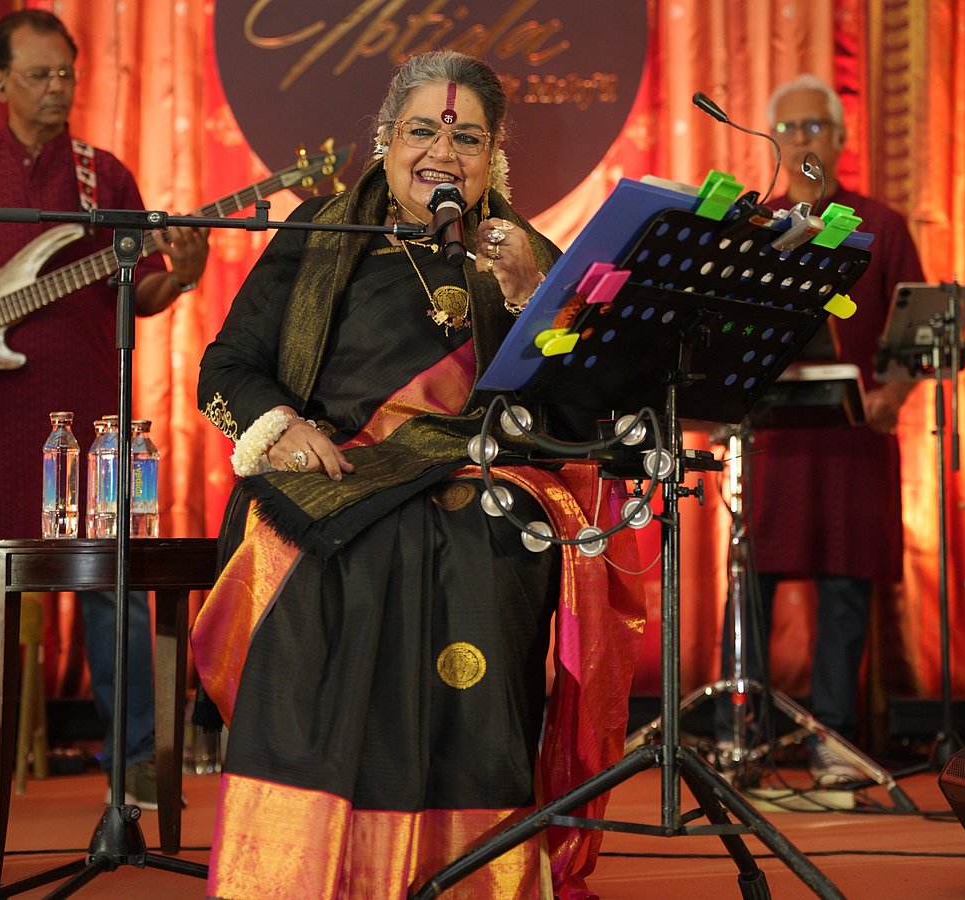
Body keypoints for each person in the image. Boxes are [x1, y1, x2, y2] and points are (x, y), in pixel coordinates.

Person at [193, 50, 646, 898]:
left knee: (475, 537)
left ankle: (473, 871)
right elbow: (225, 367)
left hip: (487, 476)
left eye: (467, 136)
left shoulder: (527, 254)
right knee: (359, 546)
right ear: (385, 139)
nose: (443, 152)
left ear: (494, 156)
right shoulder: (319, 233)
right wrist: (278, 425)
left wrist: (537, 301)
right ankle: (303, 865)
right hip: (331, 467)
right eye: (422, 131)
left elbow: (589, 416)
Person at [0, 9, 210, 813]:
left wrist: (187, 273)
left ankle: (134, 762)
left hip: (91, 424)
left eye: (66, 73)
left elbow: (145, 291)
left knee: (116, 585)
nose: (58, 86)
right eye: (39, 74)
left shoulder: (107, 175)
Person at [713, 74, 925, 785]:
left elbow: (916, 328)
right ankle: (739, 735)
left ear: (838, 138)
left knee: (844, 589)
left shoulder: (879, 224)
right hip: (770, 442)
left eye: (815, 128)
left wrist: (893, 396)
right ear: (773, 140)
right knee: (752, 585)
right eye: (790, 129)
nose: (802, 140)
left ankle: (832, 740)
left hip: (853, 441)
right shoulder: (755, 226)